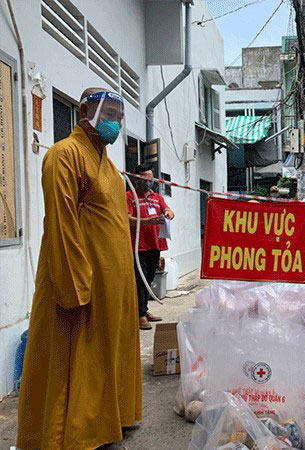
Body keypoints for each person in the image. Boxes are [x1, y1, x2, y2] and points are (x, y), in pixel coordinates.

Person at [17, 88, 142, 449]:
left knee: (108, 354)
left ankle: (109, 420)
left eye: (119, 116)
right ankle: (73, 434)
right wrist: (76, 285)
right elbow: (61, 223)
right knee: (79, 360)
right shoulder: (64, 155)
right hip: (82, 280)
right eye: (109, 114)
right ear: (84, 110)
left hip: (114, 282)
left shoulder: (108, 164)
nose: (115, 123)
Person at [127, 164, 175, 330]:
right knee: (140, 280)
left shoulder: (157, 197)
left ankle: (144, 310)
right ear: (136, 178)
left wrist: (169, 213)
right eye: (145, 177)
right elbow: (126, 218)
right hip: (138, 245)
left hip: (155, 243)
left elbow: (167, 209)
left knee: (149, 279)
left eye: (151, 177)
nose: (149, 181)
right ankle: (139, 315)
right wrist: (147, 221)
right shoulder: (129, 196)